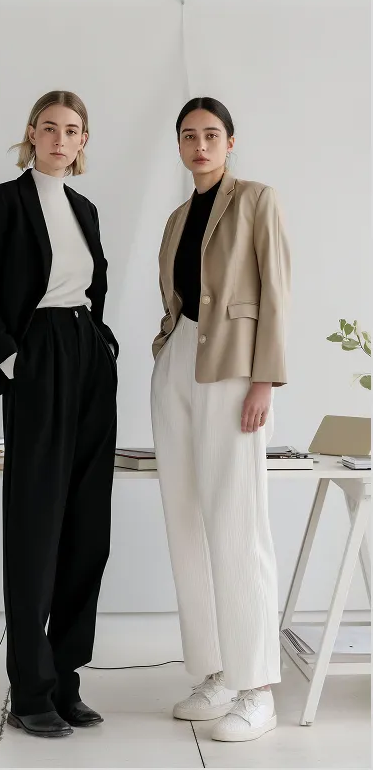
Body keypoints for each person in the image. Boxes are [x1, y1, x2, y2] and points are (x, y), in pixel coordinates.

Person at [0, 90, 118, 738]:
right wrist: (13, 360)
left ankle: (66, 679)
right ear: (31, 133)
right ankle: (30, 689)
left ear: (84, 141)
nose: (59, 139)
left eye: (71, 130)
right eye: (48, 127)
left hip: (86, 356)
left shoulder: (85, 209)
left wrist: (101, 343)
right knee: (35, 525)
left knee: (87, 527)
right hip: (38, 355)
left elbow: (93, 287)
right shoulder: (4, 201)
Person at [150, 97, 290, 743]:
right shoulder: (178, 217)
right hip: (179, 363)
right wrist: (163, 349)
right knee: (185, 522)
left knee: (238, 523)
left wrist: (265, 379)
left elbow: (276, 292)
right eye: (189, 136)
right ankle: (215, 673)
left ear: (231, 142)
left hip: (232, 369)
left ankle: (257, 686)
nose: (199, 145)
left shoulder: (257, 200)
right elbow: (176, 296)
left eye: (211, 135)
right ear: (179, 146)